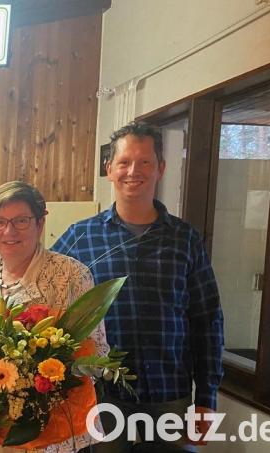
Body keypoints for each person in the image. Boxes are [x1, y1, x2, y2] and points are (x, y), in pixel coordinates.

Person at [52, 122, 224, 452]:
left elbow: (207, 320)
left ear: (160, 168)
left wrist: (206, 398)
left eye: (145, 162)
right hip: (102, 396)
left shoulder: (184, 239)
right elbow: (50, 303)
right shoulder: (80, 237)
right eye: (125, 162)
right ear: (109, 170)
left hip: (169, 393)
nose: (134, 171)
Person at [0, 181, 108, 453]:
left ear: (40, 223)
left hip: (55, 431)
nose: (9, 231)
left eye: (21, 221)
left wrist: (44, 380)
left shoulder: (71, 275)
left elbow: (97, 354)